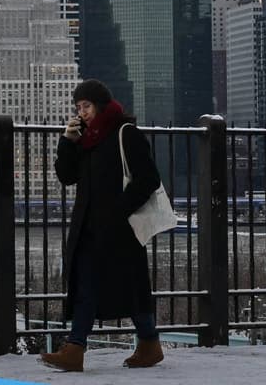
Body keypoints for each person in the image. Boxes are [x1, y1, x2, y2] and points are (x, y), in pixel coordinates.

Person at [39, 79, 165, 372]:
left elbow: (148, 178)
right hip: (88, 226)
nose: (82, 112)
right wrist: (67, 142)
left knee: (130, 286)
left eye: (87, 106)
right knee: (87, 284)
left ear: (100, 105)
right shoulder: (86, 139)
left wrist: (119, 210)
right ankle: (76, 348)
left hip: (119, 227)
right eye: (78, 107)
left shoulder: (125, 133)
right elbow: (67, 176)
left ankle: (148, 343)